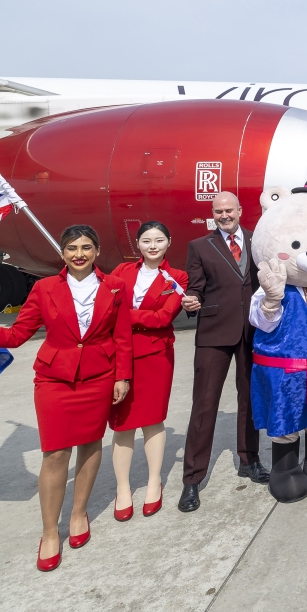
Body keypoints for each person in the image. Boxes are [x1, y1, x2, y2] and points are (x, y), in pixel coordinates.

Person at [0, 225, 132, 572]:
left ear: (96, 251)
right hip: (54, 380)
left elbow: (122, 335)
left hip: (98, 378)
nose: (78, 254)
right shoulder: (44, 288)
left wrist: (122, 375)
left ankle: (79, 514)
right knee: (55, 454)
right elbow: (17, 334)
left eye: (85, 247)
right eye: (71, 248)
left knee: (91, 445)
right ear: (63, 253)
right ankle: (50, 532)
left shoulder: (115, 287)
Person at [178, 192, 267, 513]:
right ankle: (192, 478)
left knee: (250, 399)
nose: (224, 215)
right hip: (214, 332)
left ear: (240, 211)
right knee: (204, 405)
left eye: (229, 210)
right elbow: (195, 285)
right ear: (213, 214)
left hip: (252, 331)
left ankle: (249, 460)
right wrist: (190, 299)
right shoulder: (200, 246)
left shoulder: (259, 242)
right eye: (219, 211)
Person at [109, 221, 188, 520]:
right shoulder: (121, 271)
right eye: (146, 240)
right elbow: (104, 302)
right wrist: (137, 317)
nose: (152, 246)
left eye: (158, 240)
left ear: (168, 242)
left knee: (153, 420)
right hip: (119, 355)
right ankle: (123, 488)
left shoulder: (177, 277)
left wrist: (122, 315)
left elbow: (164, 317)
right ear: (138, 245)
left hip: (155, 356)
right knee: (123, 423)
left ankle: (154, 481)